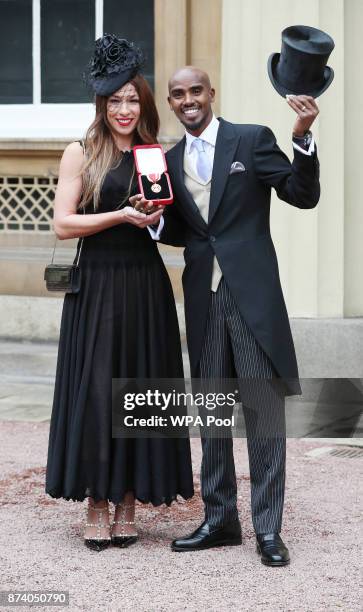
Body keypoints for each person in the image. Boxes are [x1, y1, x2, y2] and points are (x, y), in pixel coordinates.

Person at [131, 65, 320, 565]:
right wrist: (152, 223)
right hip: (203, 298)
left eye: (195, 90)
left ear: (211, 94)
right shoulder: (165, 162)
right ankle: (220, 520)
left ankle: (268, 530)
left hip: (252, 297)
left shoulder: (252, 140)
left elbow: (302, 196)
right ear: (170, 104)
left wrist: (301, 137)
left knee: (262, 413)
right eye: (178, 95)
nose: (187, 99)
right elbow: (182, 231)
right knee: (213, 414)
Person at [45, 36, 194, 552]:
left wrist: (152, 220)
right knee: (96, 390)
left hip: (144, 282)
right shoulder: (80, 152)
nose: (125, 109)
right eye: (116, 101)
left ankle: (129, 499)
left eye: (133, 99)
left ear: (143, 103)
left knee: (138, 385)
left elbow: (161, 223)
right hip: (98, 284)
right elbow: (63, 225)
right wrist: (120, 215)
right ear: (101, 104)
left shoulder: (154, 155)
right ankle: (97, 501)